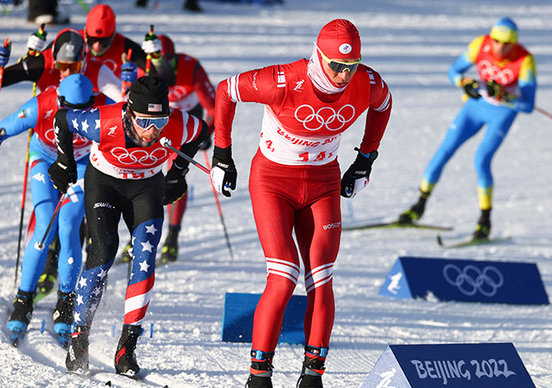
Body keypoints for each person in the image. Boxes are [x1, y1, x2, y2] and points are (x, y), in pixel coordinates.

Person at [211, 19, 391, 388]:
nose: (343, 75)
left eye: (351, 66)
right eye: (336, 65)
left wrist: (365, 159)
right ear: (318, 55)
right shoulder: (282, 80)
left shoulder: (367, 82)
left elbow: (384, 105)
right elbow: (226, 91)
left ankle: (313, 375)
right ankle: (258, 375)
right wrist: (223, 154)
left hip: (322, 184)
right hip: (273, 183)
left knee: (322, 278)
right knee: (283, 275)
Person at [49, 76, 208, 376]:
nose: (152, 131)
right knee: (104, 253)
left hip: (146, 187)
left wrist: (178, 172)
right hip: (104, 184)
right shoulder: (102, 121)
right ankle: (78, 337)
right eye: (145, 121)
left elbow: (201, 131)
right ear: (129, 113)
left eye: (160, 122)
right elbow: (62, 119)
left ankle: (127, 347)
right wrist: (63, 161)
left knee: (145, 259)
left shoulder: (179, 123)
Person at [398, 17, 536, 240]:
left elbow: (528, 105)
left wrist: (504, 96)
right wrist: (465, 83)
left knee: (481, 159)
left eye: (507, 43)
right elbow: (453, 72)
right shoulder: (480, 45)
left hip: (501, 115)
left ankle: (484, 220)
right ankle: (419, 206)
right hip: (474, 109)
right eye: (497, 41)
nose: (501, 47)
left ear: (515, 44)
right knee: (444, 151)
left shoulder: (525, 60)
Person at [1, 74, 108, 345]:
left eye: (80, 109)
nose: (74, 115)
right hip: (45, 160)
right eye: (68, 108)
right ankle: (23, 300)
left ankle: (66, 303)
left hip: (82, 166)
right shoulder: (44, 103)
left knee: (70, 226)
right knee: (45, 225)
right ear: (59, 99)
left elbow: (128, 122)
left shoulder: (101, 105)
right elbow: (8, 126)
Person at [119, 33, 216, 264]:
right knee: (141, 174)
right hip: (151, 123)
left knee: (174, 175)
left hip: (183, 121)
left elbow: (213, 108)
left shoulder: (191, 67)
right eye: (159, 61)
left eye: (169, 60)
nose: (165, 67)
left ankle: (172, 236)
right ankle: (135, 236)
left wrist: (206, 134)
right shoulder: (143, 70)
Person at [1, 28, 123, 102]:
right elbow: (4, 79)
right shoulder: (41, 64)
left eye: (74, 67)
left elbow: (125, 103)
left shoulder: (97, 69)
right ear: (54, 61)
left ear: (84, 62)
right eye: (62, 66)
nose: (68, 73)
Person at [81, 4, 174, 85]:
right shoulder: (73, 39)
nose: (97, 46)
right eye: (92, 40)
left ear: (113, 35)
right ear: (85, 32)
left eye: (104, 41)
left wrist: (156, 57)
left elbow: (166, 80)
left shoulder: (126, 46)